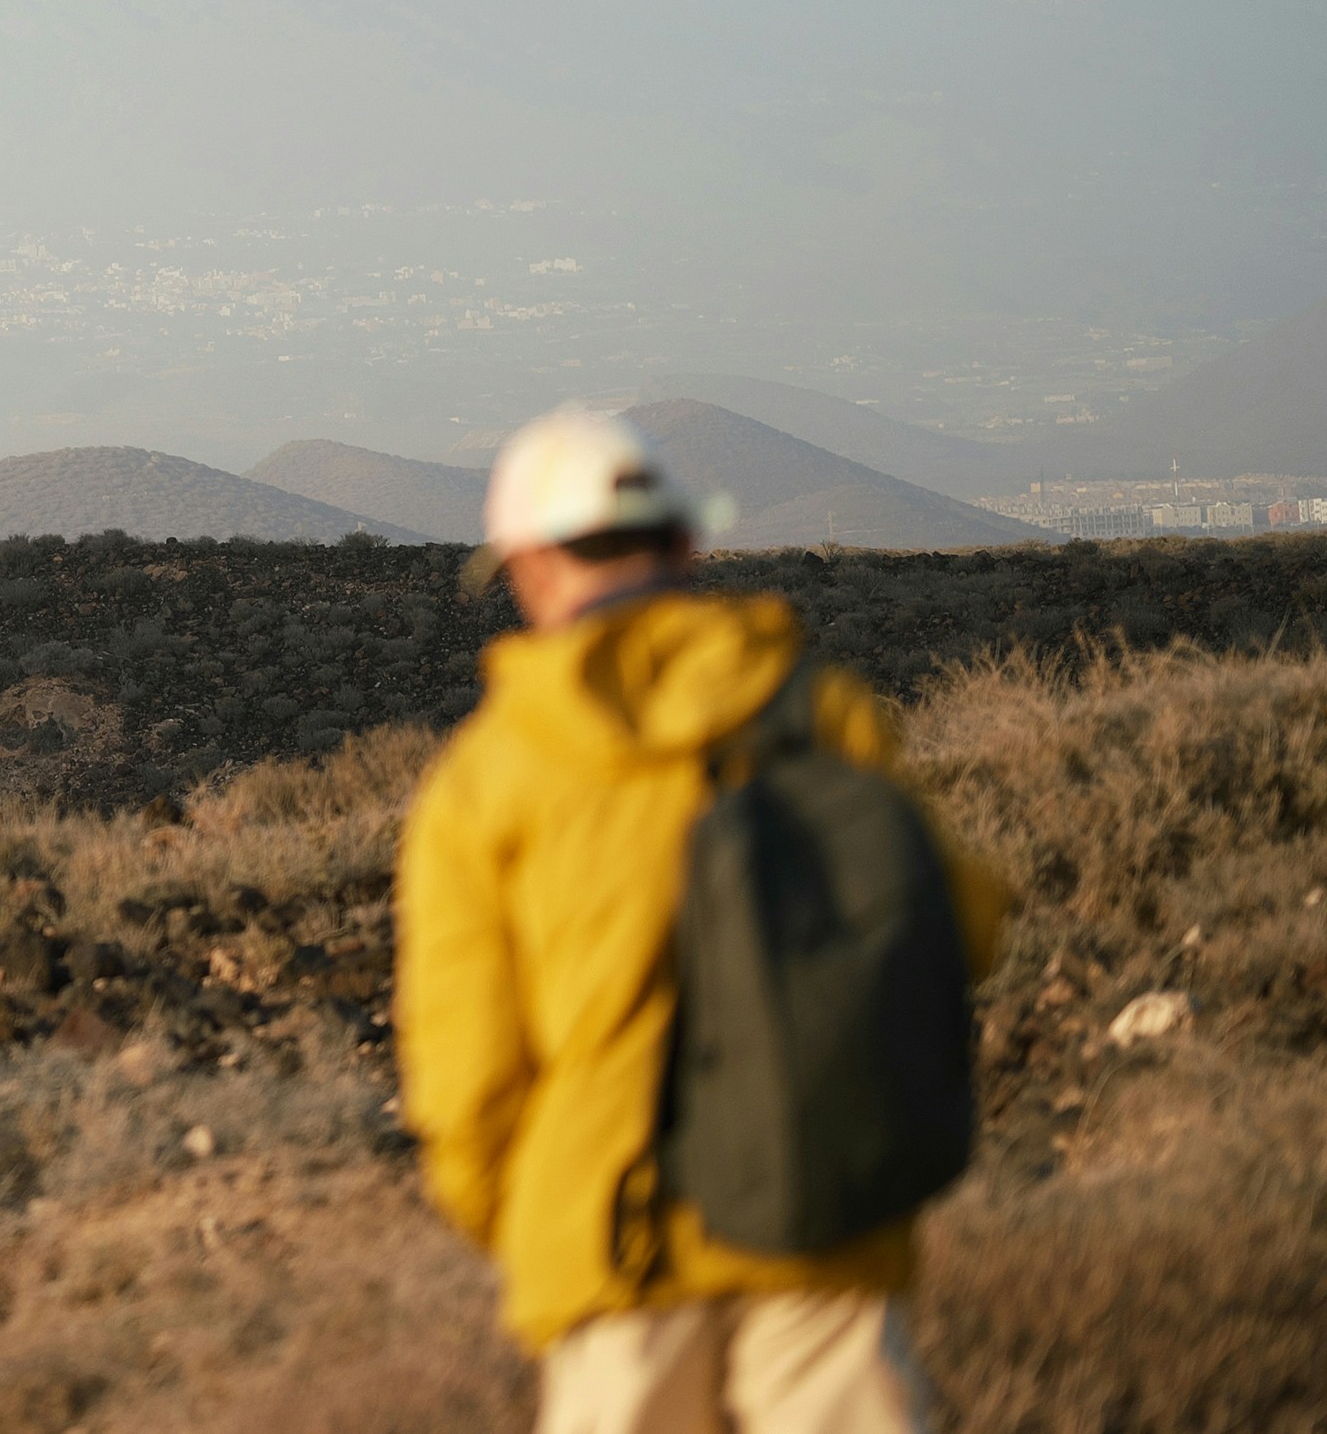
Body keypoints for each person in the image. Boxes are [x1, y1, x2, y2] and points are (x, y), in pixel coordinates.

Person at [396, 406, 1005, 1434]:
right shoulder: (819, 710)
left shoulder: (482, 780)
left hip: (612, 1247)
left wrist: (531, 1214)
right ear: (683, 545)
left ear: (529, 570)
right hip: (821, 1219)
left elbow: (465, 1072)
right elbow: (958, 925)